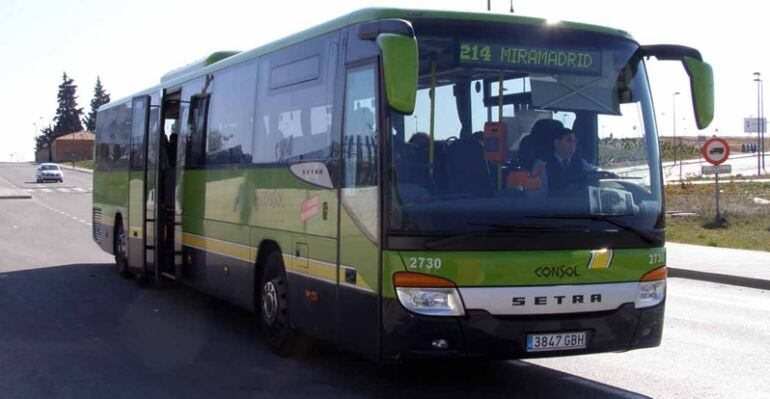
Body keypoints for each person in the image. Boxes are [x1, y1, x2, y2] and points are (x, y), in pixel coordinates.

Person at [532, 127, 597, 195]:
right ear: (557, 143)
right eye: (569, 140)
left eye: (575, 141)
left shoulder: (579, 161)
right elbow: (539, 195)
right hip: (554, 201)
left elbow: (595, 171)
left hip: (577, 201)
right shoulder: (541, 164)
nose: (573, 144)